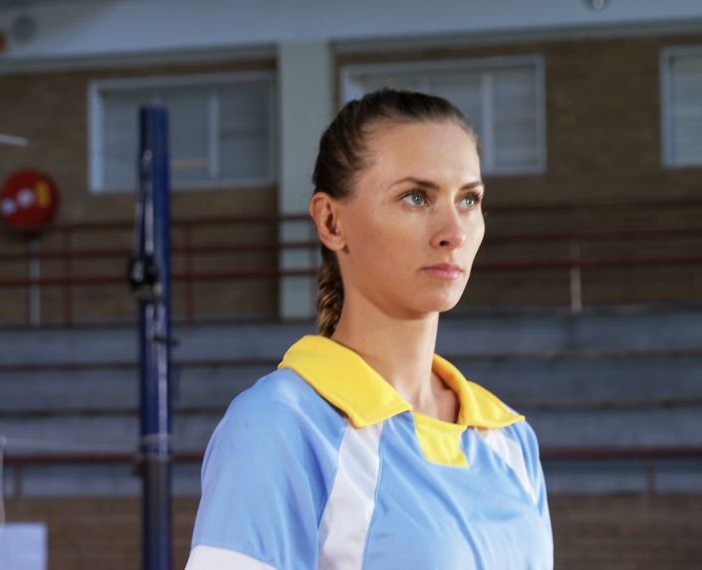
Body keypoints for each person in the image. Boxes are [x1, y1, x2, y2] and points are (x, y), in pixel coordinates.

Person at [185, 88, 553, 570]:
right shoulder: (280, 426)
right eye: (416, 197)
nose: (454, 232)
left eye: (468, 199)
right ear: (331, 221)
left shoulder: (510, 438)